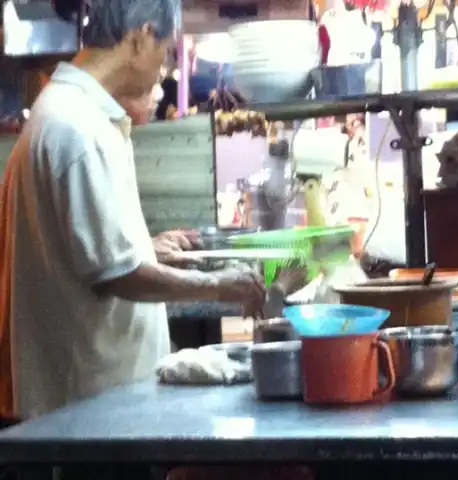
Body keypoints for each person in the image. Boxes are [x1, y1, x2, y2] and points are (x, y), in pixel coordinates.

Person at [0, 0, 267, 423]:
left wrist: (142, 245)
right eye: (165, 49)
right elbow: (116, 274)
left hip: (98, 403)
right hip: (88, 410)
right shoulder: (75, 128)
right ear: (141, 37)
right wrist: (217, 283)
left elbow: (82, 254)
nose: (164, 65)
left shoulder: (79, 116)